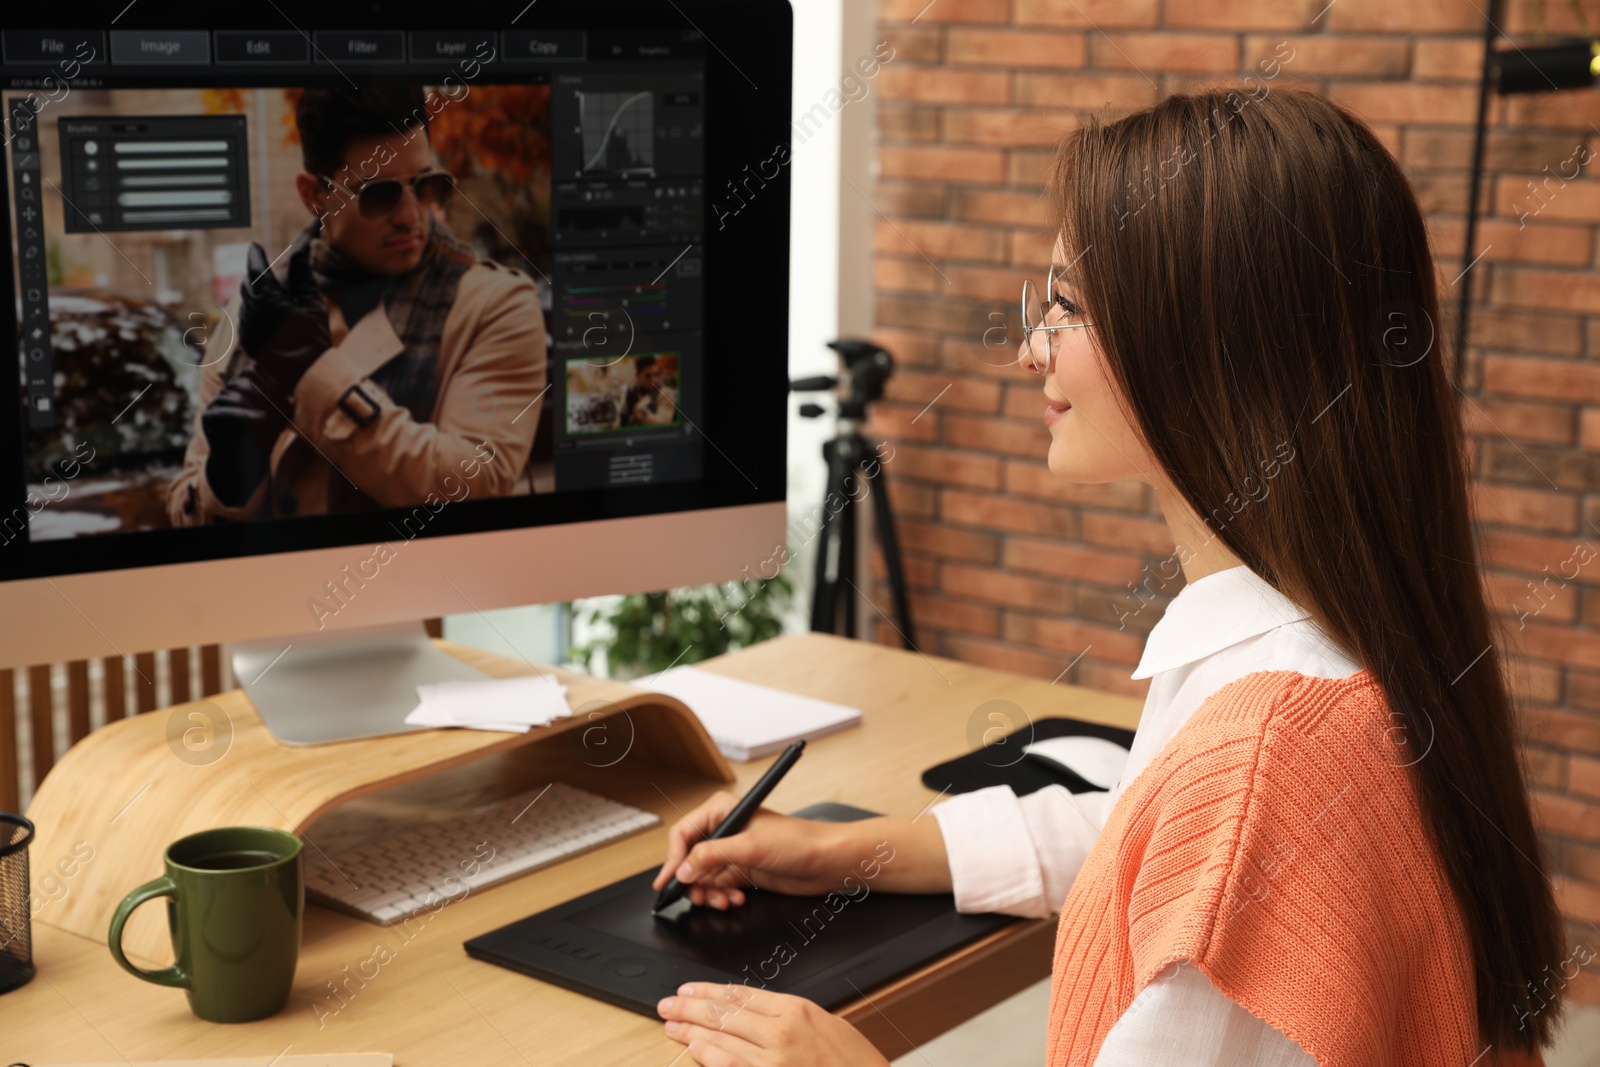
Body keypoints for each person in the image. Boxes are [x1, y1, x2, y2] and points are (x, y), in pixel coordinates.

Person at [650, 86, 1566, 1067]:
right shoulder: (1333, 644)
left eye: (1065, 307)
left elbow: (1218, 852)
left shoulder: (1267, 758)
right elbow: (1151, 839)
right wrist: (850, 852)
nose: (1026, 347)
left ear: (1206, 343)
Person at [167, 86, 547, 523]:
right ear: (313, 195)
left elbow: (474, 485)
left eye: (425, 185)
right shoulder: (251, 315)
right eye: (379, 194)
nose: (411, 216)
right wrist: (230, 481)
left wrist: (311, 370)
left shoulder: (495, 306)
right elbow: (187, 513)